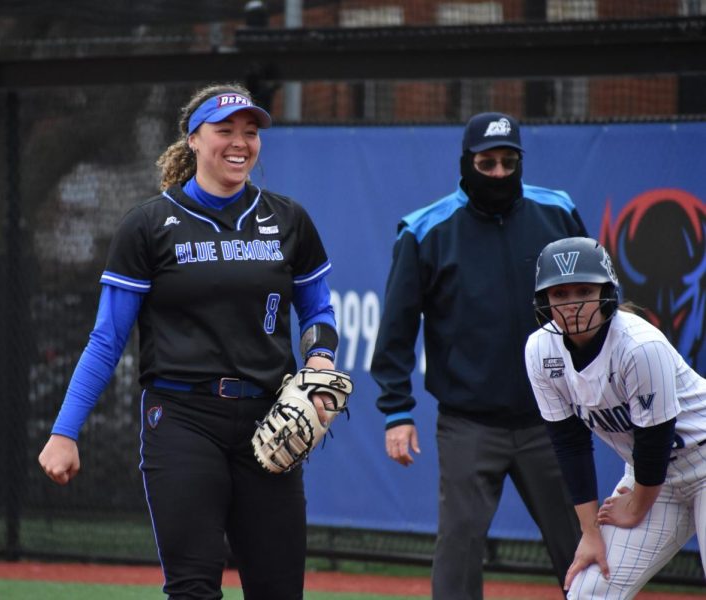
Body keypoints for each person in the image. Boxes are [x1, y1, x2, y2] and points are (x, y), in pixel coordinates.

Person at [38, 83, 341, 600]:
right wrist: (65, 431)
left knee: (279, 591)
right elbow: (107, 338)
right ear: (194, 140)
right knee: (194, 589)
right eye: (225, 130)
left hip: (268, 420)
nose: (240, 142)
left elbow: (318, 309)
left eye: (250, 132)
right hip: (181, 421)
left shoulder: (289, 221)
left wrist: (318, 359)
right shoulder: (149, 225)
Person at [370, 111, 586, 599]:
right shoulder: (426, 230)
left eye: (509, 162)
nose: (498, 174)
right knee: (459, 552)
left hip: (552, 416)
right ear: (466, 162)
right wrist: (397, 412)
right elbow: (396, 331)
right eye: (486, 163)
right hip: (468, 423)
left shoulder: (559, 213)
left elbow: (597, 305)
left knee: (581, 548)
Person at [526, 236, 706, 598]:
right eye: (559, 294)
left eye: (583, 290)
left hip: (696, 459)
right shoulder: (540, 350)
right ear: (544, 301)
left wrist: (638, 505)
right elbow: (570, 443)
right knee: (587, 592)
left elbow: (654, 442)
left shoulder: (640, 346)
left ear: (607, 293)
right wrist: (590, 532)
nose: (572, 304)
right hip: (652, 475)